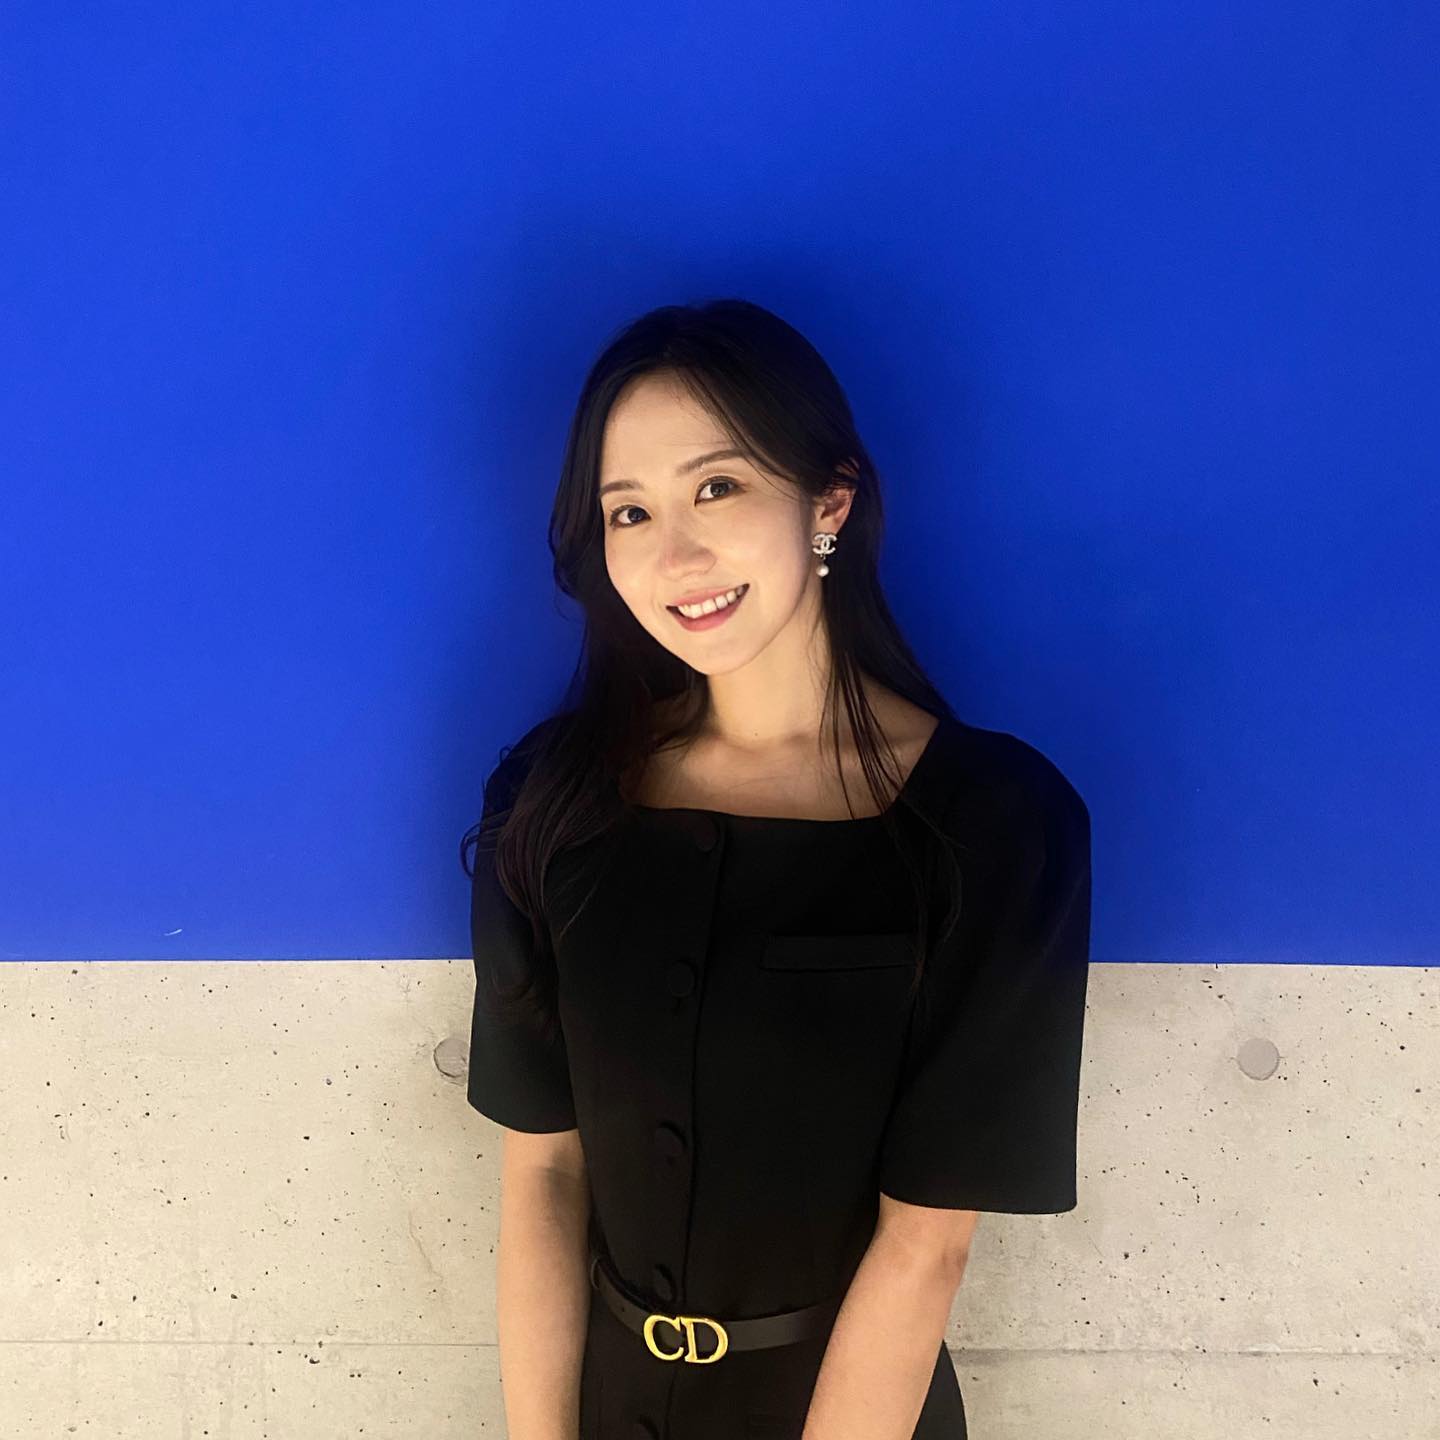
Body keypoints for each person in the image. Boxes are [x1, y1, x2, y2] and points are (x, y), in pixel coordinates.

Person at [461, 299, 1092, 1440]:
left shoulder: (996, 823)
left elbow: (926, 1246)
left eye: (718, 487)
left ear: (829, 502)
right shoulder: (552, 801)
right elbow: (542, 1178)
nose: (675, 555)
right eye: (629, 510)